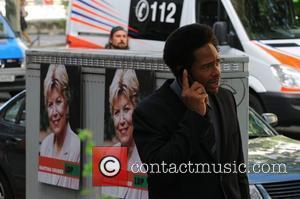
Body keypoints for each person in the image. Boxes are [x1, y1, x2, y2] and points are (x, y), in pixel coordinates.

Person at [132, 24, 250, 199]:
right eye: (206, 67)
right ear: (184, 72)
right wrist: (194, 116)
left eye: (217, 62)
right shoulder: (149, 112)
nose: (216, 72)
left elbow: (238, 166)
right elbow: (163, 171)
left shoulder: (225, 98)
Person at [102, 69, 148, 199]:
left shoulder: (149, 156)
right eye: (116, 112)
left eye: (126, 109)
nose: (121, 120)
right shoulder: (109, 155)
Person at [38, 64, 80, 189]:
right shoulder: (45, 144)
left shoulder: (77, 147)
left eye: (58, 102)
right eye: (50, 104)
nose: (54, 112)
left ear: (67, 103)